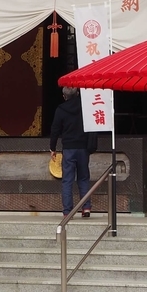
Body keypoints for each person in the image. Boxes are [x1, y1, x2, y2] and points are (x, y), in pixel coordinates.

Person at [49, 86, 98, 218]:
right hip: (83, 148)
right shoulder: (86, 107)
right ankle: (86, 207)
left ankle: (67, 211)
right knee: (83, 178)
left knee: (67, 180)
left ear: (64, 96)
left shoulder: (61, 109)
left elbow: (55, 129)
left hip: (69, 148)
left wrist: (52, 148)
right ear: (77, 93)